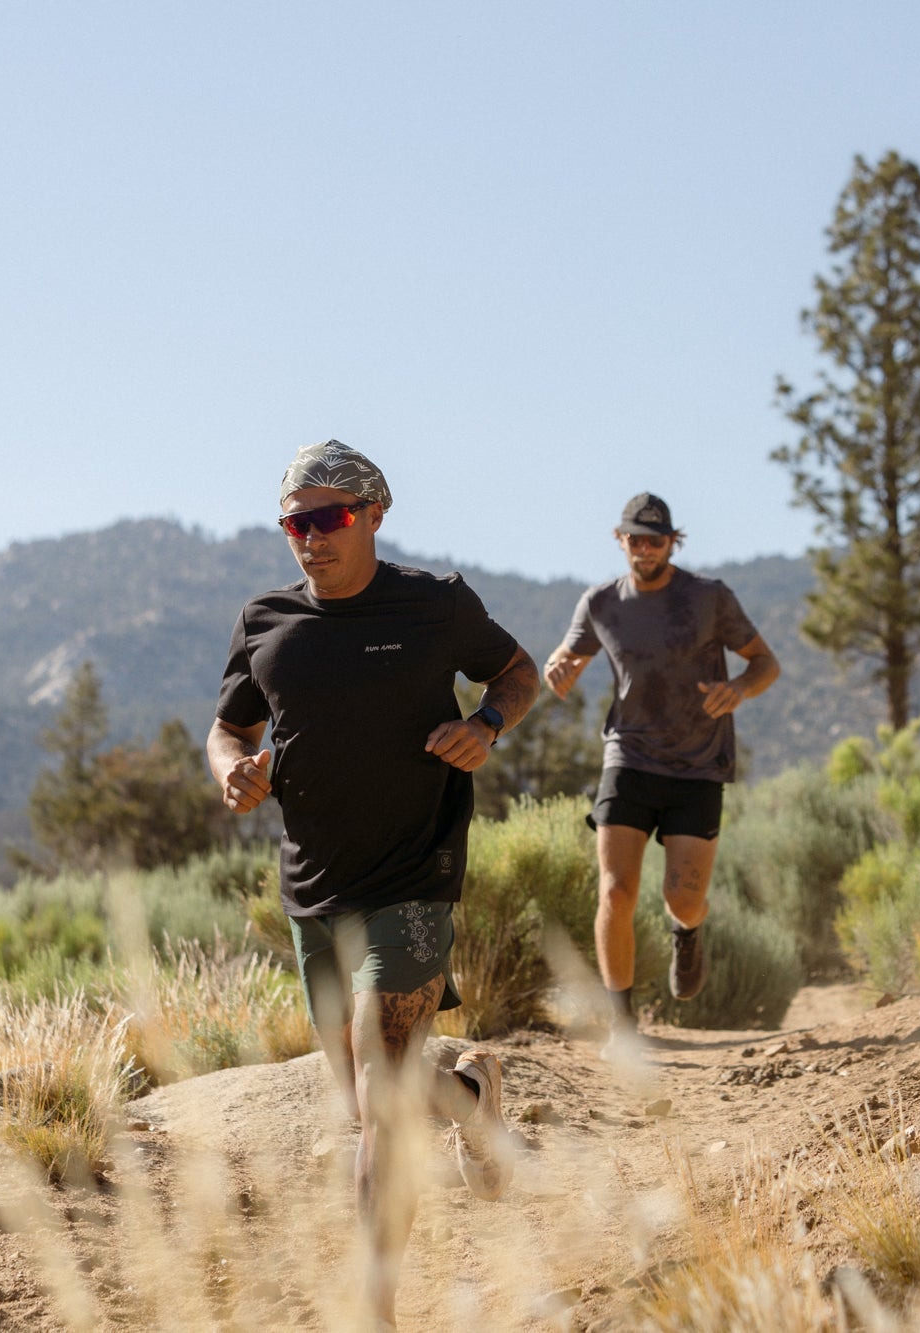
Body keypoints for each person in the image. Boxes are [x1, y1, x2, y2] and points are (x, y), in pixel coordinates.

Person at [205, 440, 538, 1328]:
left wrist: (487, 723)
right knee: (367, 1091)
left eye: (329, 518)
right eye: (295, 524)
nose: (311, 537)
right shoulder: (265, 620)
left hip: (414, 876)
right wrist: (233, 769)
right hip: (314, 890)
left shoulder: (435, 604)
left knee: (377, 1114)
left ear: (374, 514)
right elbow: (228, 728)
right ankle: (471, 1099)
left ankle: (375, 1308)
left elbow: (519, 671)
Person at [544, 492, 779, 1047]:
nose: (645, 549)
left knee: (683, 897)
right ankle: (623, 1026)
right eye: (636, 539)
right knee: (615, 892)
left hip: (698, 764)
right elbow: (567, 655)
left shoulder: (708, 598)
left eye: (656, 540)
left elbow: (765, 663)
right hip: (628, 756)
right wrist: (558, 668)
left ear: (673, 543)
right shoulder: (601, 603)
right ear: (619, 539)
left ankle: (688, 931)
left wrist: (738, 689)